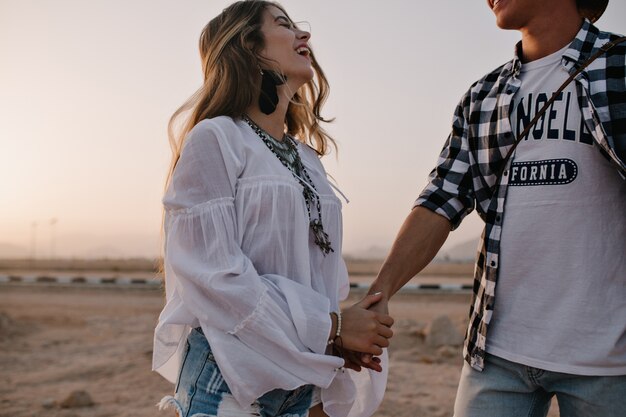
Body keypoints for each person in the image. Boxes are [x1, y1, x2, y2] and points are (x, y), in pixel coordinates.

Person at [366, 0, 626, 416]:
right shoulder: (482, 96)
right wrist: (379, 292)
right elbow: (439, 200)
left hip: (611, 363)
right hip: (497, 355)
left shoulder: (619, 66)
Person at [152, 2, 393, 417]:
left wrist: (335, 343)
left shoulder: (308, 158)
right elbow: (217, 279)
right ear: (249, 46)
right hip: (228, 381)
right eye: (284, 25)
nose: (305, 36)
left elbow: (323, 273)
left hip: (305, 381)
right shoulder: (217, 139)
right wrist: (331, 328)